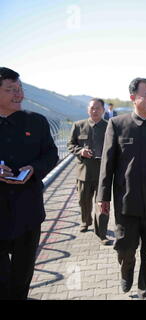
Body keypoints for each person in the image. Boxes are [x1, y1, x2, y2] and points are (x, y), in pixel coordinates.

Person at [97, 78, 146, 300]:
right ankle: (126, 269)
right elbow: (108, 163)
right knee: (125, 248)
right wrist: (103, 197)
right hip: (126, 202)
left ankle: (145, 290)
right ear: (133, 98)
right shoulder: (118, 124)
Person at [0, 67, 59, 299]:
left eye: (20, 89)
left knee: (22, 274)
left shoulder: (36, 122)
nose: (18, 94)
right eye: (10, 90)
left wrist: (34, 169)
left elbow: (51, 155)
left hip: (28, 211)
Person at [67, 98, 111, 245]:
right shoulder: (79, 125)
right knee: (84, 201)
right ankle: (85, 221)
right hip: (84, 172)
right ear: (88, 110)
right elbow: (70, 144)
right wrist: (81, 151)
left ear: (103, 110)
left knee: (102, 204)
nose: (95, 111)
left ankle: (102, 233)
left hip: (102, 173)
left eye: (98, 108)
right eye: (92, 108)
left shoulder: (109, 126)